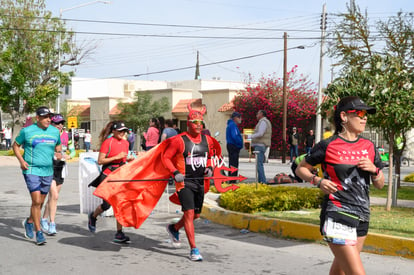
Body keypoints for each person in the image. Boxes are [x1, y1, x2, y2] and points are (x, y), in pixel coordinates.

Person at [295, 96, 385, 275]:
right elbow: (301, 169)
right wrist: (318, 181)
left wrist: (374, 170)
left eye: (366, 114)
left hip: (362, 215)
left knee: (340, 272)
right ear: (344, 116)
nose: (364, 118)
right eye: (359, 113)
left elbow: (380, 184)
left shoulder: (369, 146)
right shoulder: (328, 145)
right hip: (337, 213)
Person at [163, 104, 220, 261]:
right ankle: (194, 249)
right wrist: (175, 172)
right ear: (188, 123)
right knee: (188, 214)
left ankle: (174, 228)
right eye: (195, 122)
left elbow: (211, 156)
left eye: (200, 122)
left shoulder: (207, 140)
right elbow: (166, 158)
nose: (198, 125)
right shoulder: (179, 141)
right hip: (184, 183)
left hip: (200, 182)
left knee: (196, 215)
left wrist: (209, 167)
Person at [13, 106, 62, 245]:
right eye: (45, 117)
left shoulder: (54, 131)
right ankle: (39, 232)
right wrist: (21, 161)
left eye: (50, 117)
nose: (48, 120)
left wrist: (59, 154)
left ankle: (29, 222)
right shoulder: (27, 131)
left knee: (40, 202)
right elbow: (15, 146)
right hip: (31, 170)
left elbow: (58, 147)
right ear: (38, 118)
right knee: (36, 201)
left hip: (48, 171)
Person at [88, 121, 134, 243]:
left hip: (120, 175)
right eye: (120, 131)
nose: (122, 133)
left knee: (120, 204)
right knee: (107, 205)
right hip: (108, 175)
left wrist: (129, 160)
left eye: (124, 131)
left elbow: (123, 159)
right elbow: (100, 161)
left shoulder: (126, 143)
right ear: (113, 131)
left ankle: (119, 233)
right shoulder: (108, 142)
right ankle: (93, 216)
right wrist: (116, 157)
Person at [40, 114, 70, 235]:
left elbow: (71, 149)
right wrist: (54, 154)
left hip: (60, 167)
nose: (60, 125)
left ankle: (43, 219)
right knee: (55, 195)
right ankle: (52, 223)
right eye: (57, 123)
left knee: (52, 198)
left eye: (62, 123)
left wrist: (68, 155)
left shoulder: (66, 135)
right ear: (51, 123)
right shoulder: (46, 134)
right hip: (49, 166)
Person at [245, 110, 272, 184]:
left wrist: (250, 136)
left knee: (259, 164)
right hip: (261, 145)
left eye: (257, 113)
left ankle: (262, 181)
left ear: (261, 114)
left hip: (260, 145)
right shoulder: (265, 122)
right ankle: (261, 180)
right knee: (259, 164)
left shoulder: (263, 122)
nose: (256, 115)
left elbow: (260, 133)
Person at [226, 112, 243, 182]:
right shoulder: (233, 125)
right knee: (234, 164)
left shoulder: (230, 125)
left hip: (231, 145)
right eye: (239, 117)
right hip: (234, 146)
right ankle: (233, 180)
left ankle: (231, 178)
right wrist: (240, 144)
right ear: (235, 118)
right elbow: (235, 136)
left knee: (232, 163)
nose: (240, 119)